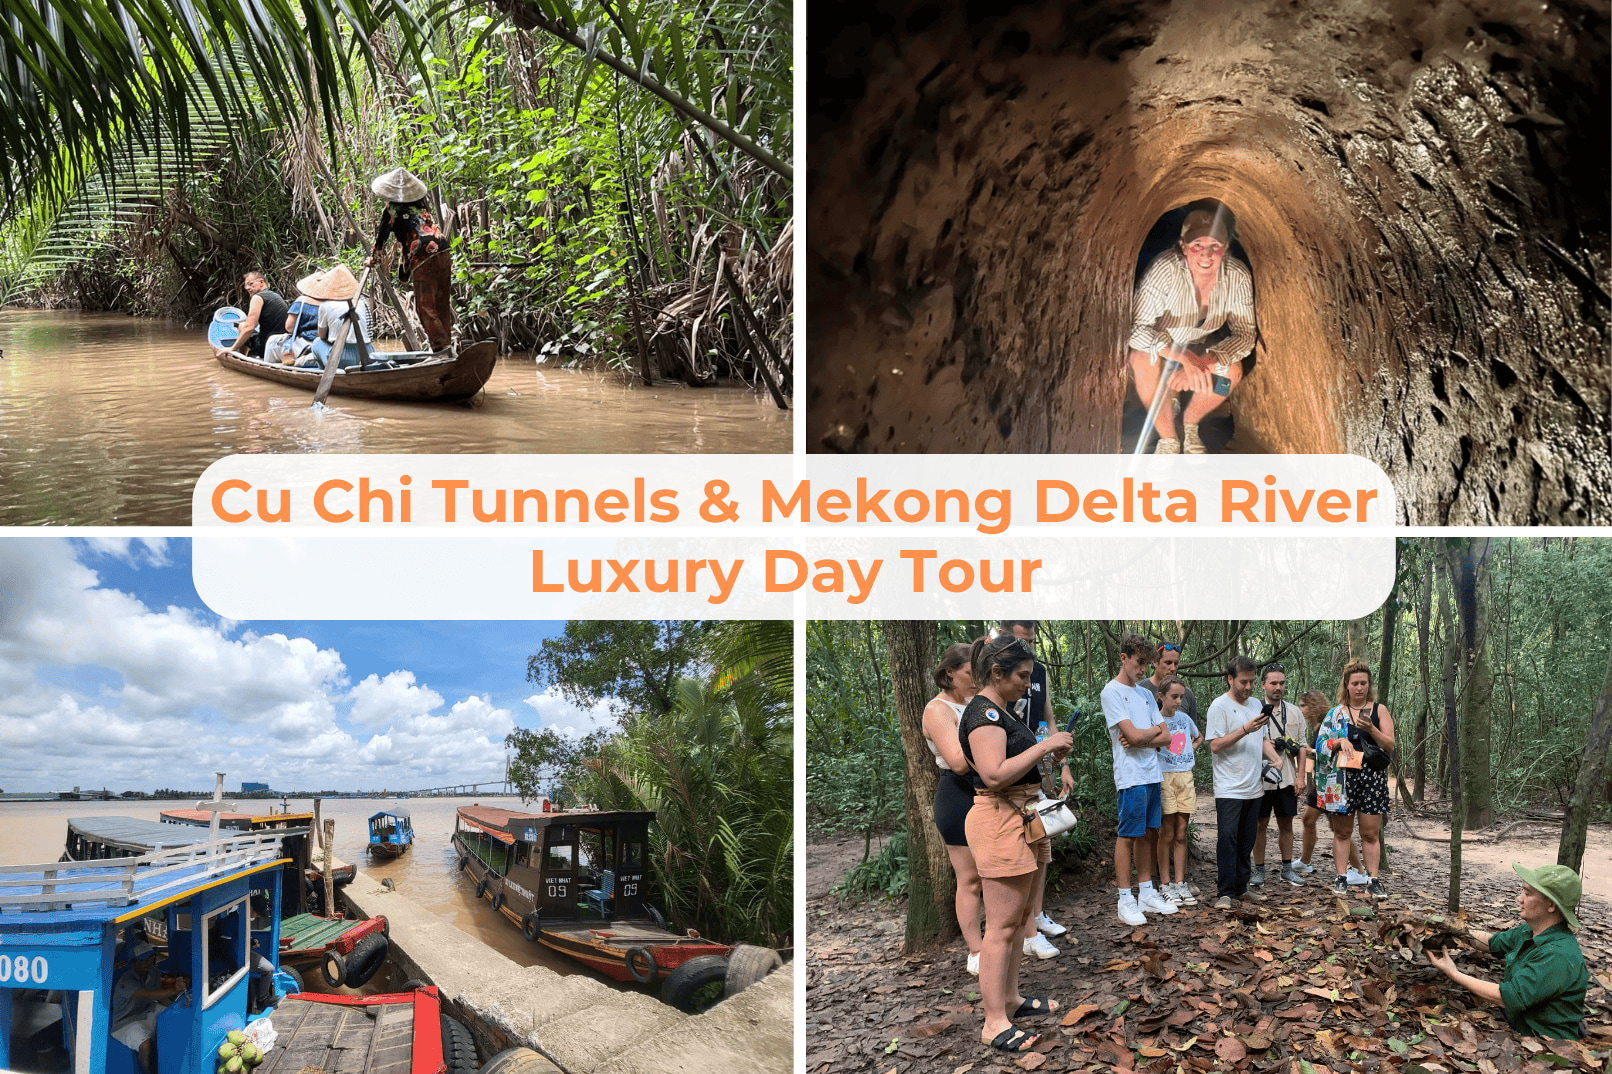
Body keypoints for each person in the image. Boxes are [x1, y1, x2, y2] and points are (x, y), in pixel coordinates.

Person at [958, 634, 1073, 1053]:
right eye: (1023, 676)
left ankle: (1010, 1000)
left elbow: (1016, 766)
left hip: (1023, 815)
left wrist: (1048, 757)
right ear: (997, 672)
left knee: (1021, 917)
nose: (1029, 683)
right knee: (1002, 927)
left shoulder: (1004, 711)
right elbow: (992, 773)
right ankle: (993, 1022)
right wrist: (1044, 744)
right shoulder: (984, 713)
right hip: (998, 819)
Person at [1128, 204, 1256, 454]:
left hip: (1203, 347)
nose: (1206, 255)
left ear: (1225, 248)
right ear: (1184, 247)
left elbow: (1245, 334)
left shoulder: (1237, 276)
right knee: (1141, 360)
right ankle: (1168, 439)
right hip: (1164, 348)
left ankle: (1191, 422)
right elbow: (1136, 330)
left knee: (1229, 377)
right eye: (1197, 245)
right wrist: (1184, 359)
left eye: (1215, 246)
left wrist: (1204, 363)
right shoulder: (1165, 270)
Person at [1427, 863, 1588, 1039]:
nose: (1520, 899)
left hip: (1545, 1043)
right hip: (1518, 1025)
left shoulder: (1558, 955)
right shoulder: (1530, 931)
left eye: (1528, 894)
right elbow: (1491, 942)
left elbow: (1507, 997)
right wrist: (1449, 933)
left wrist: (1454, 973)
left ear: (1551, 905)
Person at [1101, 633, 1177, 926]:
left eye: (1147, 664)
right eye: (1139, 662)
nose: (1143, 670)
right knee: (1128, 834)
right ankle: (1124, 898)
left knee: (1149, 833)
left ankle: (1146, 891)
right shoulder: (1112, 692)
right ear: (1124, 658)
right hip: (1131, 776)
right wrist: (1150, 736)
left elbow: (1167, 736)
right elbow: (1130, 736)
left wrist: (1143, 739)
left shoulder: (1146, 694)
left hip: (1152, 773)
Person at [1000, 620, 1066, 954]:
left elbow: (1046, 718)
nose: (1026, 646)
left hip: (1038, 768)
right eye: (1019, 639)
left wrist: (1059, 762)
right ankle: (1026, 932)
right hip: (1010, 774)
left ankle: (1037, 915)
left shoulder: (1036, 671)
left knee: (1042, 846)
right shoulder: (994, 672)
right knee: (1023, 851)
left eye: (1031, 640)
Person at [921, 642, 984, 975]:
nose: (976, 679)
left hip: (990, 792)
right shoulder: (938, 709)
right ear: (949, 673)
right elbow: (959, 762)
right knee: (970, 878)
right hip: (958, 794)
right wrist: (994, 750)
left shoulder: (977, 701)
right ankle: (976, 951)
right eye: (969, 673)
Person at [1205, 655, 1283, 909]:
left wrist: (1275, 759)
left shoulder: (1256, 705)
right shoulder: (1219, 707)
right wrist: (1245, 729)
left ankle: (1242, 887)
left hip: (1253, 787)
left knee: (1247, 839)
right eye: (1243, 682)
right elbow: (1215, 745)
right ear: (1230, 679)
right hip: (1229, 787)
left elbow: (1260, 740)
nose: (1248, 687)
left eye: (1251, 682)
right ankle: (1225, 892)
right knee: (1228, 839)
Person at [1313, 661, 1395, 898]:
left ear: (1369, 685)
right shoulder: (1335, 714)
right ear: (1346, 686)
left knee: (1370, 833)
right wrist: (1339, 742)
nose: (1359, 688)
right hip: (1342, 778)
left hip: (1372, 778)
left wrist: (1372, 730)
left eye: (1363, 683)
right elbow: (1319, 745)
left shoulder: (1379, 710)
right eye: (1355, 683)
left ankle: (1374, 879)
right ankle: (1341, 877)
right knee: (1342, 832)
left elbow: (1389, 745)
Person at [368, 166, 453, 351]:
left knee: (425, 308)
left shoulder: (392, 210)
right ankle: (449, 347)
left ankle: (442, 349)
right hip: (443, 250)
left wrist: (373, 259)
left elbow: (381, 239)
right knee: (442, 304)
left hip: (423, 256)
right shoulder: (421, 206)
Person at [1137, 641, 1198, 885]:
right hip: (1149, 770)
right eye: (1167, 663)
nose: (1173, 667)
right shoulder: (1140, 689)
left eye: (1176, 663)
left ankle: (1173, 881)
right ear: (1155, 662)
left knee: (1172, 829)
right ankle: (1151, 880)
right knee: (1151, 830)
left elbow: (1187, 731)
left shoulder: (1186, 694)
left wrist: (1187, 752)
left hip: (1179, 771)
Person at [1293, 688, 1365, 879]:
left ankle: (1359, 870)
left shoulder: (1330, 722)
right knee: (1309, 820)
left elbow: (1334, 750)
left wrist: (1313, 752)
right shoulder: (1316, 727)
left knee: (1339, 829)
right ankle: (1305, 862)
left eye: (1304, 705)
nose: (1301, 710)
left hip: (1332, 783)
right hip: (1321, 783)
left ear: (1314, 705)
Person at [1250, 663, 1306, 887]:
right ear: (1263, 685)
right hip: (1261, 778)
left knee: (1287, 824)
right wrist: (1265, 745)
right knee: (1260, 824)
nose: (1278, 687)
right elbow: (1245, 743)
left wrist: (1301, 776)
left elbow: (1302, 746)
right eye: (1273, 683)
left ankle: (1287, 868)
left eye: (1281, 683)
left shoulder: (1294, 712)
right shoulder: (1254, 710)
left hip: (1288, 777)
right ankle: (1259, 870)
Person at [1154, 675, 1202, 907]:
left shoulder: (1184, 718)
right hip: (1164, 776)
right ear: (1161, 696)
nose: (1178, 702)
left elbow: (1198, 736)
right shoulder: (1155, 719)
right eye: (1174, 697)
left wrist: (1191, 749)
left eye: (1181, 697)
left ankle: (1180, 882)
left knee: (1182, 831)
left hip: (1185, 776)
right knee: (1167, 832)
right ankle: (1165, 884)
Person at [112, 941, 184, 1072]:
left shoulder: (153, 970)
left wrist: (175, 1007)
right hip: (125, 1022)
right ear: (133, 962)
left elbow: (161, 997)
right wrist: (173, 990)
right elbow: (147, 994)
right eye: (141, 960)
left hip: (147, 1010)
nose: (146, 963)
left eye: (148, 958)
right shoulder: (127, 980)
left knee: (175, 1019)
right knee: (146, 1045)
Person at [308, 265, 375, 369]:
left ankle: (323, 371)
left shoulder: (325, 305)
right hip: (369, 353)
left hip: (342, 356)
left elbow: (321, 335)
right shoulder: (360, 302)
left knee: (317, 342)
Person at [214, 271, 288, 360]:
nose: (248, 288)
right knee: (248, 329)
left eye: (251, 284)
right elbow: (256, 323)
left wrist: (232, 348)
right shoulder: (275, 295)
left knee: (243, 326)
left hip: (268, 347)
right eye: (246, 286)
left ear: (261, 282)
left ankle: (241, 358)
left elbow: (249, 327)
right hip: (284, 345)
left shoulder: (258, 297)